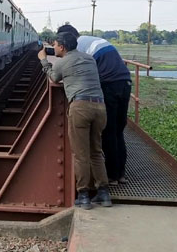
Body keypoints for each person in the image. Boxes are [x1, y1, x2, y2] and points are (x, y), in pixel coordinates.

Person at [38, 32, 112, 209]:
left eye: (55, 45)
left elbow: (53, 77)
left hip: (80, 107)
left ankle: (84, 195)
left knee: (81, 154)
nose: (53, 47)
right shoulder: (89, 59)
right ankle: (104, 193)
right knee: (96, 151)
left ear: (62, 47)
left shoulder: (63, 62)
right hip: (100, 107)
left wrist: (43, 60)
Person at [57, 24, 132, 185]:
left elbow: (78, 69)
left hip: (109, 85)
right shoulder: (92, 40)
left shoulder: (79, 47)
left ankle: (112, 176)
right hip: (125, 83)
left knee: (108, 131)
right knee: (119, 131)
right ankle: (121, 174)